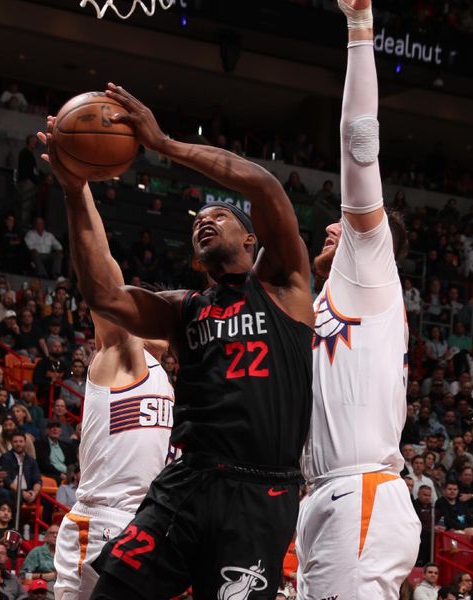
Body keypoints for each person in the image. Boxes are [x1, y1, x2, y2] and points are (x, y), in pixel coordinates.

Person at [42, 76, 313, 598]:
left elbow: (264, 186)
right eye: (198, 223)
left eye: (218, 217)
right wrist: (75, 192)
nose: (204, 222)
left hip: (261, 491)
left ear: (252, 239)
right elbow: (105, 295)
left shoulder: (283, 286)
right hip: (187, 484)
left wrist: (164, 145)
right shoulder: (184, 311)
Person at [296, 2, 420, 598]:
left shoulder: (370, 265)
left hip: (361, 491)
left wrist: (359, 25)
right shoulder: (319, 302)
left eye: (344, 225)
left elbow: (358, 141)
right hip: (325, 496)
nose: (332, 227)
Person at [46, 184, 177, 600]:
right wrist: (78, 190)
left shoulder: (169, 377)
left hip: (145, 522)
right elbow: (102, 272)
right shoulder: (122, 353)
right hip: (102, 522)